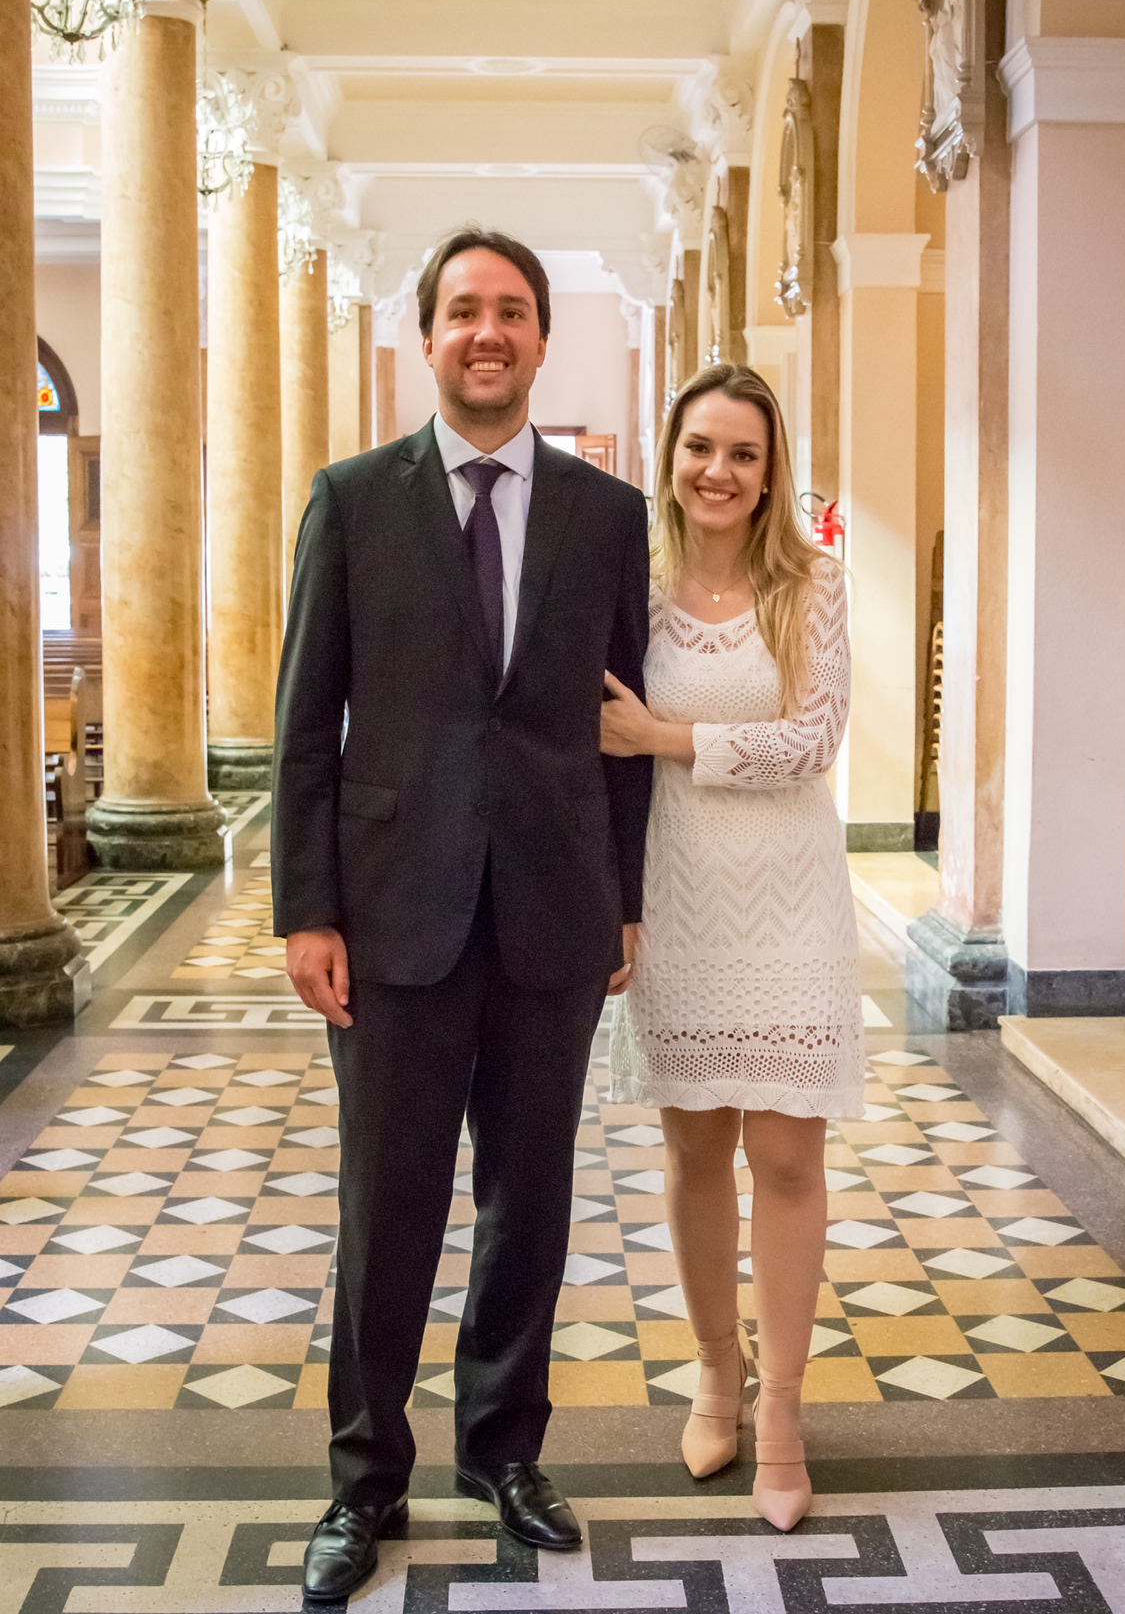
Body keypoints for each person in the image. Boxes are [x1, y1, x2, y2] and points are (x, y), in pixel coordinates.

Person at [273, 227, 652, 1601]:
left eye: (510, 312)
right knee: (388, 1206)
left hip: (554, 912)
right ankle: (362, 1481)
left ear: (543, 338)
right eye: (461, 313)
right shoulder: (353, 500)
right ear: (423, 339)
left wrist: (627, 900)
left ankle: (504, 1451)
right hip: (392, 917)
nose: (486, 334)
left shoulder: (607, 518)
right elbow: (305, 722)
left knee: (528, 1201)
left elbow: (616, 730)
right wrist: (306, 907)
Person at [601, 361, 863, 1533]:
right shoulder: (633, 589)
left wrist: (663, 732)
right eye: (700, 446)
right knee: (696, 1150)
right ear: (670, 457)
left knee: (790, 1159)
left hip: (791, 899)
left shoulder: (812, 587)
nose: (718, 470)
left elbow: (810, 741)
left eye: (743, 454)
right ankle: (717, 1373)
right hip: (680, 893)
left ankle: (788, 1411)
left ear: (771, 473)